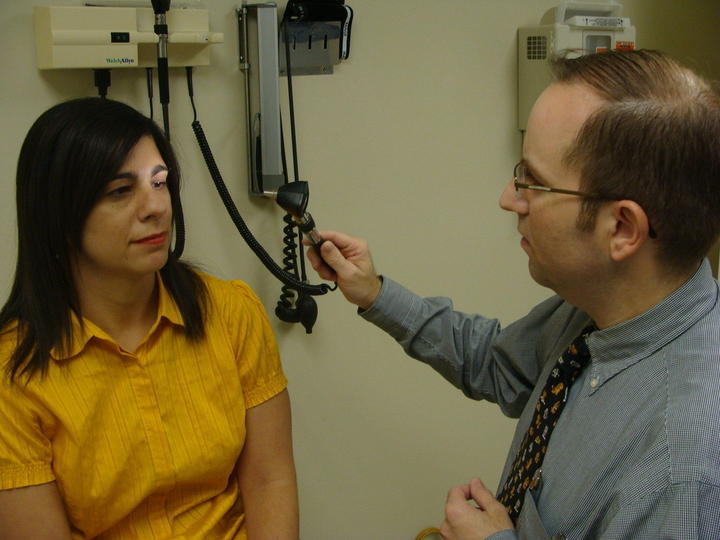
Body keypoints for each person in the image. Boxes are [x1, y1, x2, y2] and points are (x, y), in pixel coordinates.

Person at [306, 50, 720, 539]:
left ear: (623, 228)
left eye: (534, 183)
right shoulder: (607, 308)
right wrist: (374, 293)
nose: (509, 198)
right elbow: (500, 365)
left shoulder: (679, 470)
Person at [0, 98, 298, 539]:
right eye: (121, 191)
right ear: (59, 213)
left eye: (160, 183)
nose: (156, 207)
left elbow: (269, 480)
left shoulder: (230, 311)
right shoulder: (13, 374)